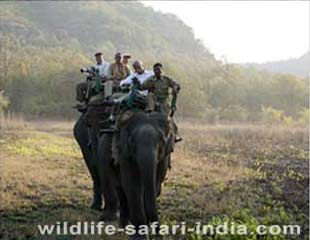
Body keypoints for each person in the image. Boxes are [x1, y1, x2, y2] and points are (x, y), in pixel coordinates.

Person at [142, 63, 182, 142]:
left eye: (159, 69)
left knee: (168, 119)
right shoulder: (151, 79)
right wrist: (137, 84)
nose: (158, 71)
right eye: (156, 70)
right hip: (154, 100)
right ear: (154, 71)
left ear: (162, 70)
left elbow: (176, 85)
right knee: (150, 95)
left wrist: (175, 88)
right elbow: (142, 86)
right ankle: (150, 110)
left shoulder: (166, 79)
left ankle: (175, 135)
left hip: (164, 101)